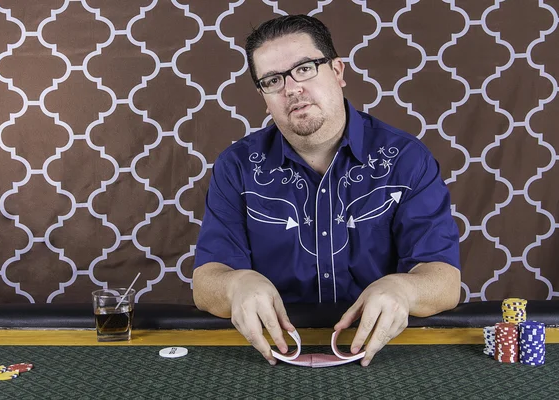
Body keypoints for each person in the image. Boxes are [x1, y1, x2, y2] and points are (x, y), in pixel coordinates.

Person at [192, 15, 461, 366]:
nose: (291, 88)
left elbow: (444, 280)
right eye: (273, 80)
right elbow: (205, 282)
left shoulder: (407, 160)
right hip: (271, 354)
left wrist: (403, 289)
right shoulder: (237, 166)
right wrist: (235, 284)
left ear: (337, 71)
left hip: (382, 354)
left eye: (304, 69)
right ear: (264, 97)